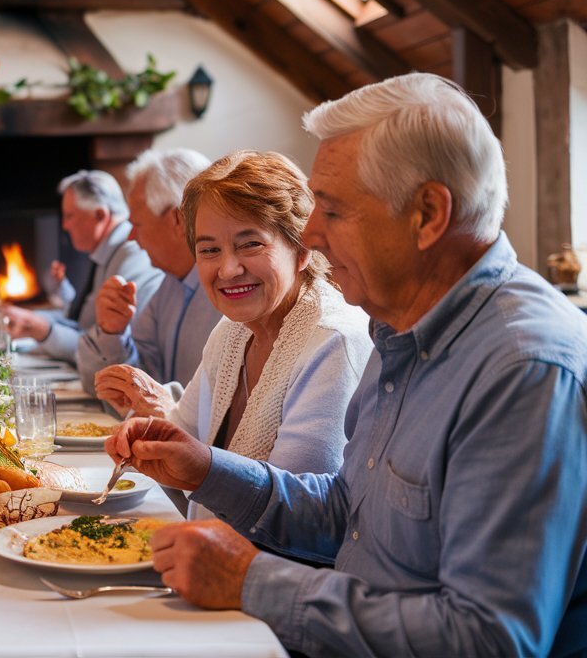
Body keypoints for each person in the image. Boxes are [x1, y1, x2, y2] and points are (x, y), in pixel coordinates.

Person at [110, 74, 587, 656]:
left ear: (428, 214)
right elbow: (348, 513)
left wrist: (250, 581)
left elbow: (488, 639)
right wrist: (207, 469)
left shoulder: (522, 368)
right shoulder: (401, 328)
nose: (310, 234)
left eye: (333, 211)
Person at [97, 150, 371, 520]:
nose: (228, 269)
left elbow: (298, 519)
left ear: (302, 247)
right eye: (210, 249)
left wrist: (192, 463)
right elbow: (187, 436)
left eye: (250, 244)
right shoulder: (231, 332)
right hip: (207, 553)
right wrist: (150, 436)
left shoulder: (331, 342)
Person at [76, 148, 222, 398]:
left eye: (137, 224)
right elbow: (112, 389)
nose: (131, 236)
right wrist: (112, 332)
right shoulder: (168, 287)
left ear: (178, 219)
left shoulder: (230, 291)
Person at [6, 169, 161, 363]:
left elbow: (101, 349)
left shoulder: (132, 255)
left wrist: (43, 330)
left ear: (99, 215)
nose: (64, 226)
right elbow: (82, 321)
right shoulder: (108, 251)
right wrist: (36, 318)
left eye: (69, 216)